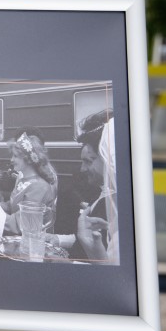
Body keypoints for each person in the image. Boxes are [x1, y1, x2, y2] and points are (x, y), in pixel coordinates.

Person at [47, 110, 118, 264]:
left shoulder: (116, 206)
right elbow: (93, 242)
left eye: (89, 161)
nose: (82, 169)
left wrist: (69, 264)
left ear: (110, 159)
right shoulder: (104, 196)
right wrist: (57, 239)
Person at [1, 132, 58, 234]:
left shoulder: (39, 187)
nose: (11, 160)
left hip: (33, 240)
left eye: (15, 156)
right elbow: (14, 206)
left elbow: (23, 224)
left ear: (28, 159)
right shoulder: (24, 180)